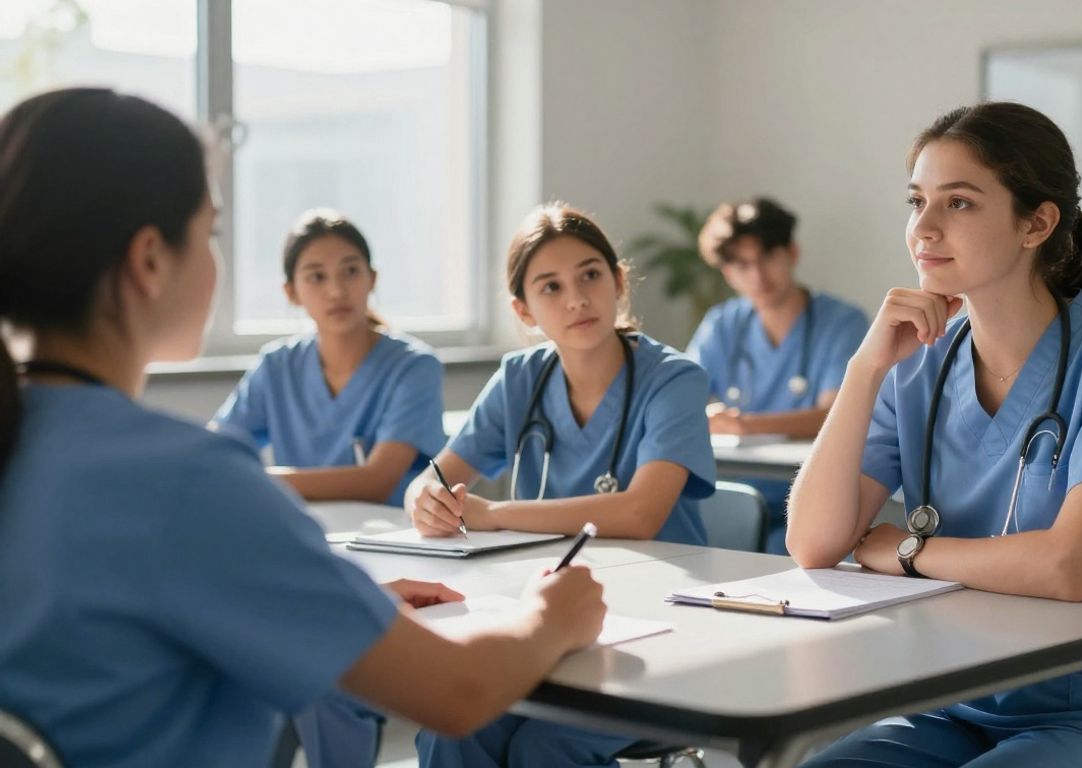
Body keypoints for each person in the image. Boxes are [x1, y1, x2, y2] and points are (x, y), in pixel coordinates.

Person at [0, 87, 606, 768]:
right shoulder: (185, 481)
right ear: (149, 261)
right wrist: (550, 617)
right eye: (212, 233)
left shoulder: (27, 443)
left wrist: (328, 597)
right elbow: (458, 693)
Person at [786, 102, 1082, 768]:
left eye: (958, 204)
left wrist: (909, 550)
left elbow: (1069, 568)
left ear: (1036, 223)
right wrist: (864, 369)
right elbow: (814, 542)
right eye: (917, 201)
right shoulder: (916, 362)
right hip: (956, 700)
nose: (923, 228)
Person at [409, 202, 716, 767]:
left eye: (591, 275)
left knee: (545, 746)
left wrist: (496, 515)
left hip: (658, 629)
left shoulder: (673, 379)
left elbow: (641, 513)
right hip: (543, 618)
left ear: (619, 282)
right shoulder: (519, 379)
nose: (576, 299)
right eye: (550, 287)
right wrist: (424, 499)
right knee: (453, 723)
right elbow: (434, 476)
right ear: (523, 310)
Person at [212, 209, 446, 508]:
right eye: (316, 277)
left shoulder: (414, 367)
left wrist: (256, 479)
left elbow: (377, 481)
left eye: (350, 271)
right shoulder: (276, 366)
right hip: (305, 532)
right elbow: (218, 447)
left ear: (372, 278)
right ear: (291, 292)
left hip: (395, 538)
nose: (336, 291)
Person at [686, 197, 868, 553]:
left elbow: (836, 416)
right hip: (731, 499)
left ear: (792, 253)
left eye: (767, 257)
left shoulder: (841, 323)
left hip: (811, 503)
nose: (757, 275)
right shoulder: (722, 325)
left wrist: (745, 425)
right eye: (741, 264)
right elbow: (681, 399)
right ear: (727, 272)